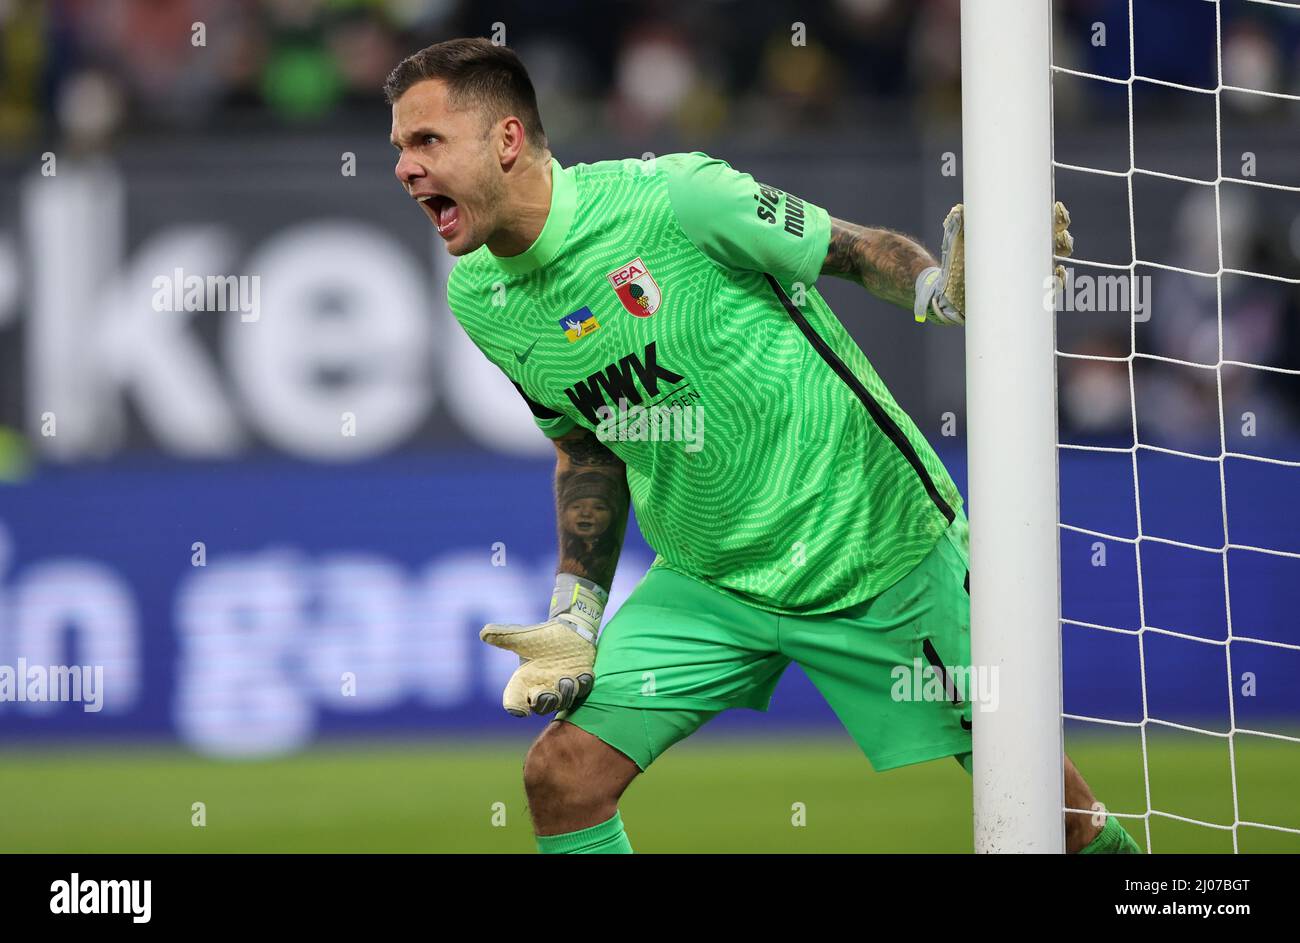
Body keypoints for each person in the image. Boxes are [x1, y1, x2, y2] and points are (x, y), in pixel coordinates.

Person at [387, 36, 1140, 855]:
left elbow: (853, 251)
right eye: (398, 149)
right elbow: (586, 447)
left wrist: (938, 291)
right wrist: (575, 616)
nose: (404, 167)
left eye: (426, 141)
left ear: (504, 140)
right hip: (709, 582)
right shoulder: (478, 296)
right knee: (561, 778)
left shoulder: (678, 197)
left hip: (877, 551)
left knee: (1050, 814)